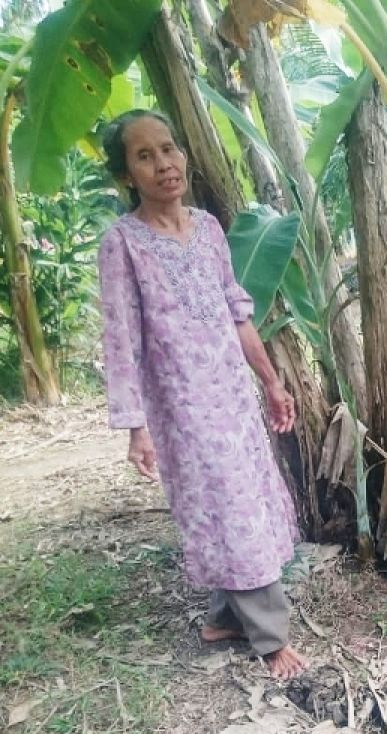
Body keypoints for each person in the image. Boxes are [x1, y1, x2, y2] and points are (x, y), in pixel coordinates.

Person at [98, 109, 308, 680]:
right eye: (146, 155)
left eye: (169, 149)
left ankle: (223, 618)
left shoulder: (211, 229)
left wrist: (270, 381)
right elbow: (121, 338)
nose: (165, 164)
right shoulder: (123, 243)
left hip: (231, 397)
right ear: (127, 173)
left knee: (236, 497)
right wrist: (135, 426)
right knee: (229, 503)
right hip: (182, 405)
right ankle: (271, 636)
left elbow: (238, 314)